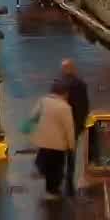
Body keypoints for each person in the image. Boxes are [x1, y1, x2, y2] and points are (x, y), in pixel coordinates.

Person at [31, 78, 78, 201]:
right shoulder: (65, 107)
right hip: (58, 145)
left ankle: (49, 189)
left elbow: (33, 116)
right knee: (56, 168)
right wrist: (71, 145)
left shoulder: (43, 101)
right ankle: (53, 191)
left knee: (48, 166)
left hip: (43, 141)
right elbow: (69, 128)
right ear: (64, 93)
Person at [59, 58, 91, 195]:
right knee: (72, 151)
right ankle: (69, 179)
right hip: (75, 124)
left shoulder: (60, 85)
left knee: (60, 150)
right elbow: (85, 105)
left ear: (66, 69)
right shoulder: (81, 84)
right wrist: (82, 123)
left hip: (62, 124)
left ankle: (61, 177)